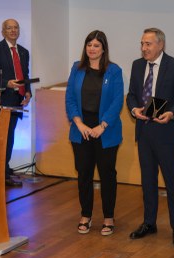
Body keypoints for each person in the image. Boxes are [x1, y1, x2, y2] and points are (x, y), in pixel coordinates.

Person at [126, 28, 174, 246]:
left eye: (148, 44)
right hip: (144, 130)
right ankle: (149, 223)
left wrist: (172, 113)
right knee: (148, 180)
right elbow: (132, 94)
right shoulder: (137, 65)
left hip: (166, 131)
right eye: (142, 44)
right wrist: (134, 109)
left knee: (172, 181)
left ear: (160, 45)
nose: (144, 48)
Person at [65, 30, 124, 236]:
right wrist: (79, 123)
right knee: (84, 174)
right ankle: (86, 215)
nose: (92, 48)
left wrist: (103, 125)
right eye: (89, 44)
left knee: (107, 175)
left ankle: (108, 217)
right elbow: (70, 99)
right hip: (81, 130)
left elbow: (117, 102)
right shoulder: (77, 68)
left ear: (104, 48)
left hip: (105, 131)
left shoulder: (114, 71)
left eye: (96, 45)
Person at [0, 19, 32, 187]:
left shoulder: (24, 52)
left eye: (16, 27)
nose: (13, 31)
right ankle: (1, 172)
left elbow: (25, 74)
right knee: (3, 137)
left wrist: (28, 91)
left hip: (17, 102)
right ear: (3, 31)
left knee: (10, 137)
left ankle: (5, 168)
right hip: (1, 102)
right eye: (9, 28)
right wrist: (5, 84)